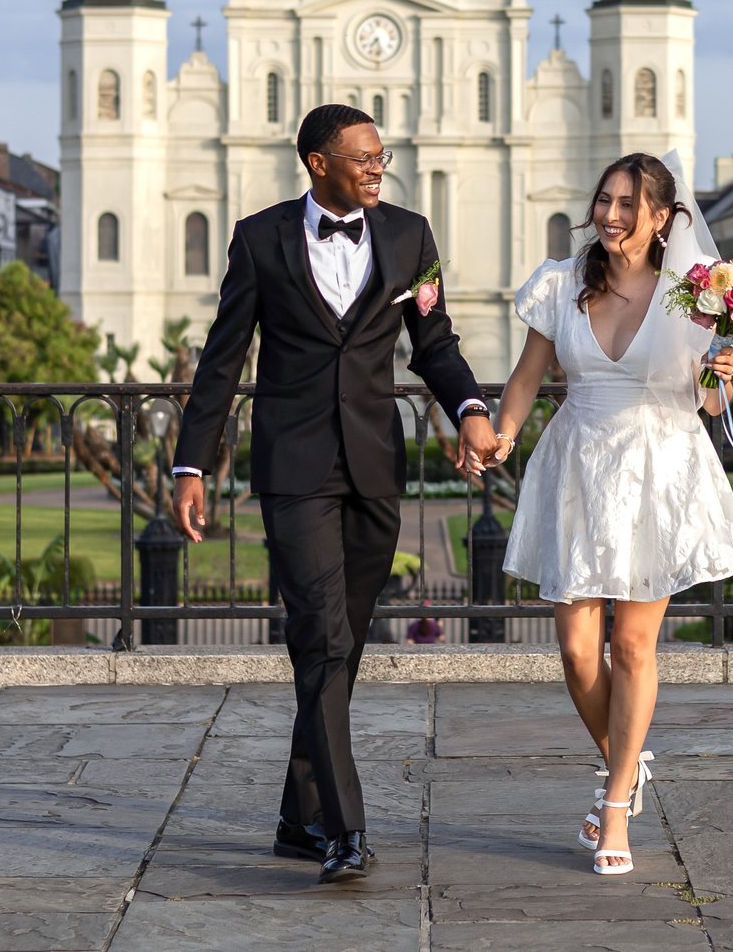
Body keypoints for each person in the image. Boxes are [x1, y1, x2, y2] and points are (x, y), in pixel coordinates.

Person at [171, 104, 497, 884]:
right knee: (322, 635)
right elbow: (223, 359)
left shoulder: (410, 237)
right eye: (362, 157)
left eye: (381, 155)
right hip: (294, 470)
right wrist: (191, 462)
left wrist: (471, 408)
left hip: (374, 468)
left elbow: (436, 342)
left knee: (339, 641)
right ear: (318, 162)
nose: (377, 167)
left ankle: (295, 812)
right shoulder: (260, 237)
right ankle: (344, 829)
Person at [479, 151, 733, 878]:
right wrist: (501, 434)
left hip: (657, 468)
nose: (611, 214)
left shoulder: (694, 297)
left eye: (629, 203)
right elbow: (526, 378)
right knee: (576, 651)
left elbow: (707, 403)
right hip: (577, 463)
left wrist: (721, 372)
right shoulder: (561, 283)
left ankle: (613, 805)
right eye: (605, 199)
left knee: (633, 646)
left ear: (663, 218)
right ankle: (627, 767)